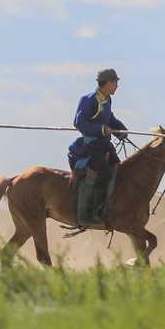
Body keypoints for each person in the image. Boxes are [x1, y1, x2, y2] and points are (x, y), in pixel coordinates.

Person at [67, 69, 128, 227]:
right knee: (103, 174)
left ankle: (109, 209)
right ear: (108, 82)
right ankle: (87, 214)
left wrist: (121, 130)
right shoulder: (88, 100)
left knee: (119, 170)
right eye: (115, 83)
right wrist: (101, 129)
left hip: (104, 146)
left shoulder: (107, 100)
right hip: (90, 147)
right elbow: (79, 123)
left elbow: (110, 118)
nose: (117, 86)